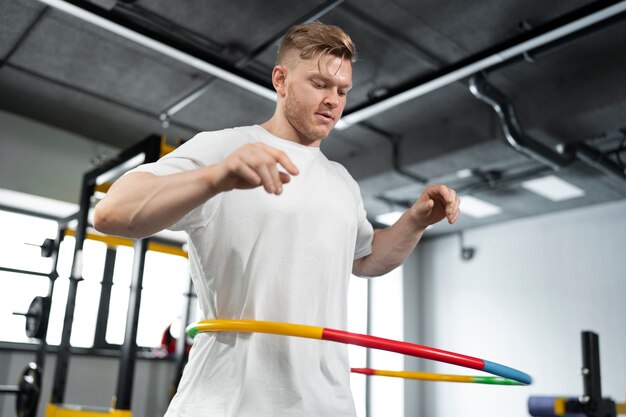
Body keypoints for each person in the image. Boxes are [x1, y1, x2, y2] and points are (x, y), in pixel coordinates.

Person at [94, 21, 460, 417]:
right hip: (229, 401)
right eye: (320, 84)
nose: (333, 101)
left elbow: (366, 259)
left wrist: (416, 221)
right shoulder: (225, 148)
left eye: (342, 91)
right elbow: (111, 213)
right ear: (281, 80)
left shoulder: (342, 182)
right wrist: (216, 177)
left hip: (327, 404)